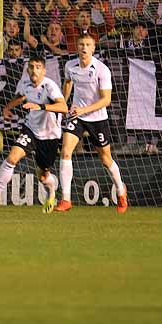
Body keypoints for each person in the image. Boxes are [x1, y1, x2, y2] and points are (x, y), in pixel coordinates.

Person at [0, 56, 66, 212]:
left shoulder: (50, 86)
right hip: (31, 129)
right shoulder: (25, 84)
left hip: (50, 136)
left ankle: (52, 191)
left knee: (43, 176)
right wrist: (7, 108)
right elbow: (21, 97)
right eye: (32, 67)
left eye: (38, 67)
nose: (34, 70)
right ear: (28, 69)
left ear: (44, 71)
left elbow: (63, 107)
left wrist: (40, 107)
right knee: (12, 157)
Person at [58, 34, 128, 213]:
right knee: (66, 152)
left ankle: (121, 190)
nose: (83, 48)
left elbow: (106, 100)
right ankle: (65, 199)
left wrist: (84, 110)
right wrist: (64, 104)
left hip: (97, 118)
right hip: (77, 115)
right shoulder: (70, 66)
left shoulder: (102, 70)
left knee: (105, 158)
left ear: (93, 48)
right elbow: (68, 82)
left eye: (88, 45)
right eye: (81, 44)